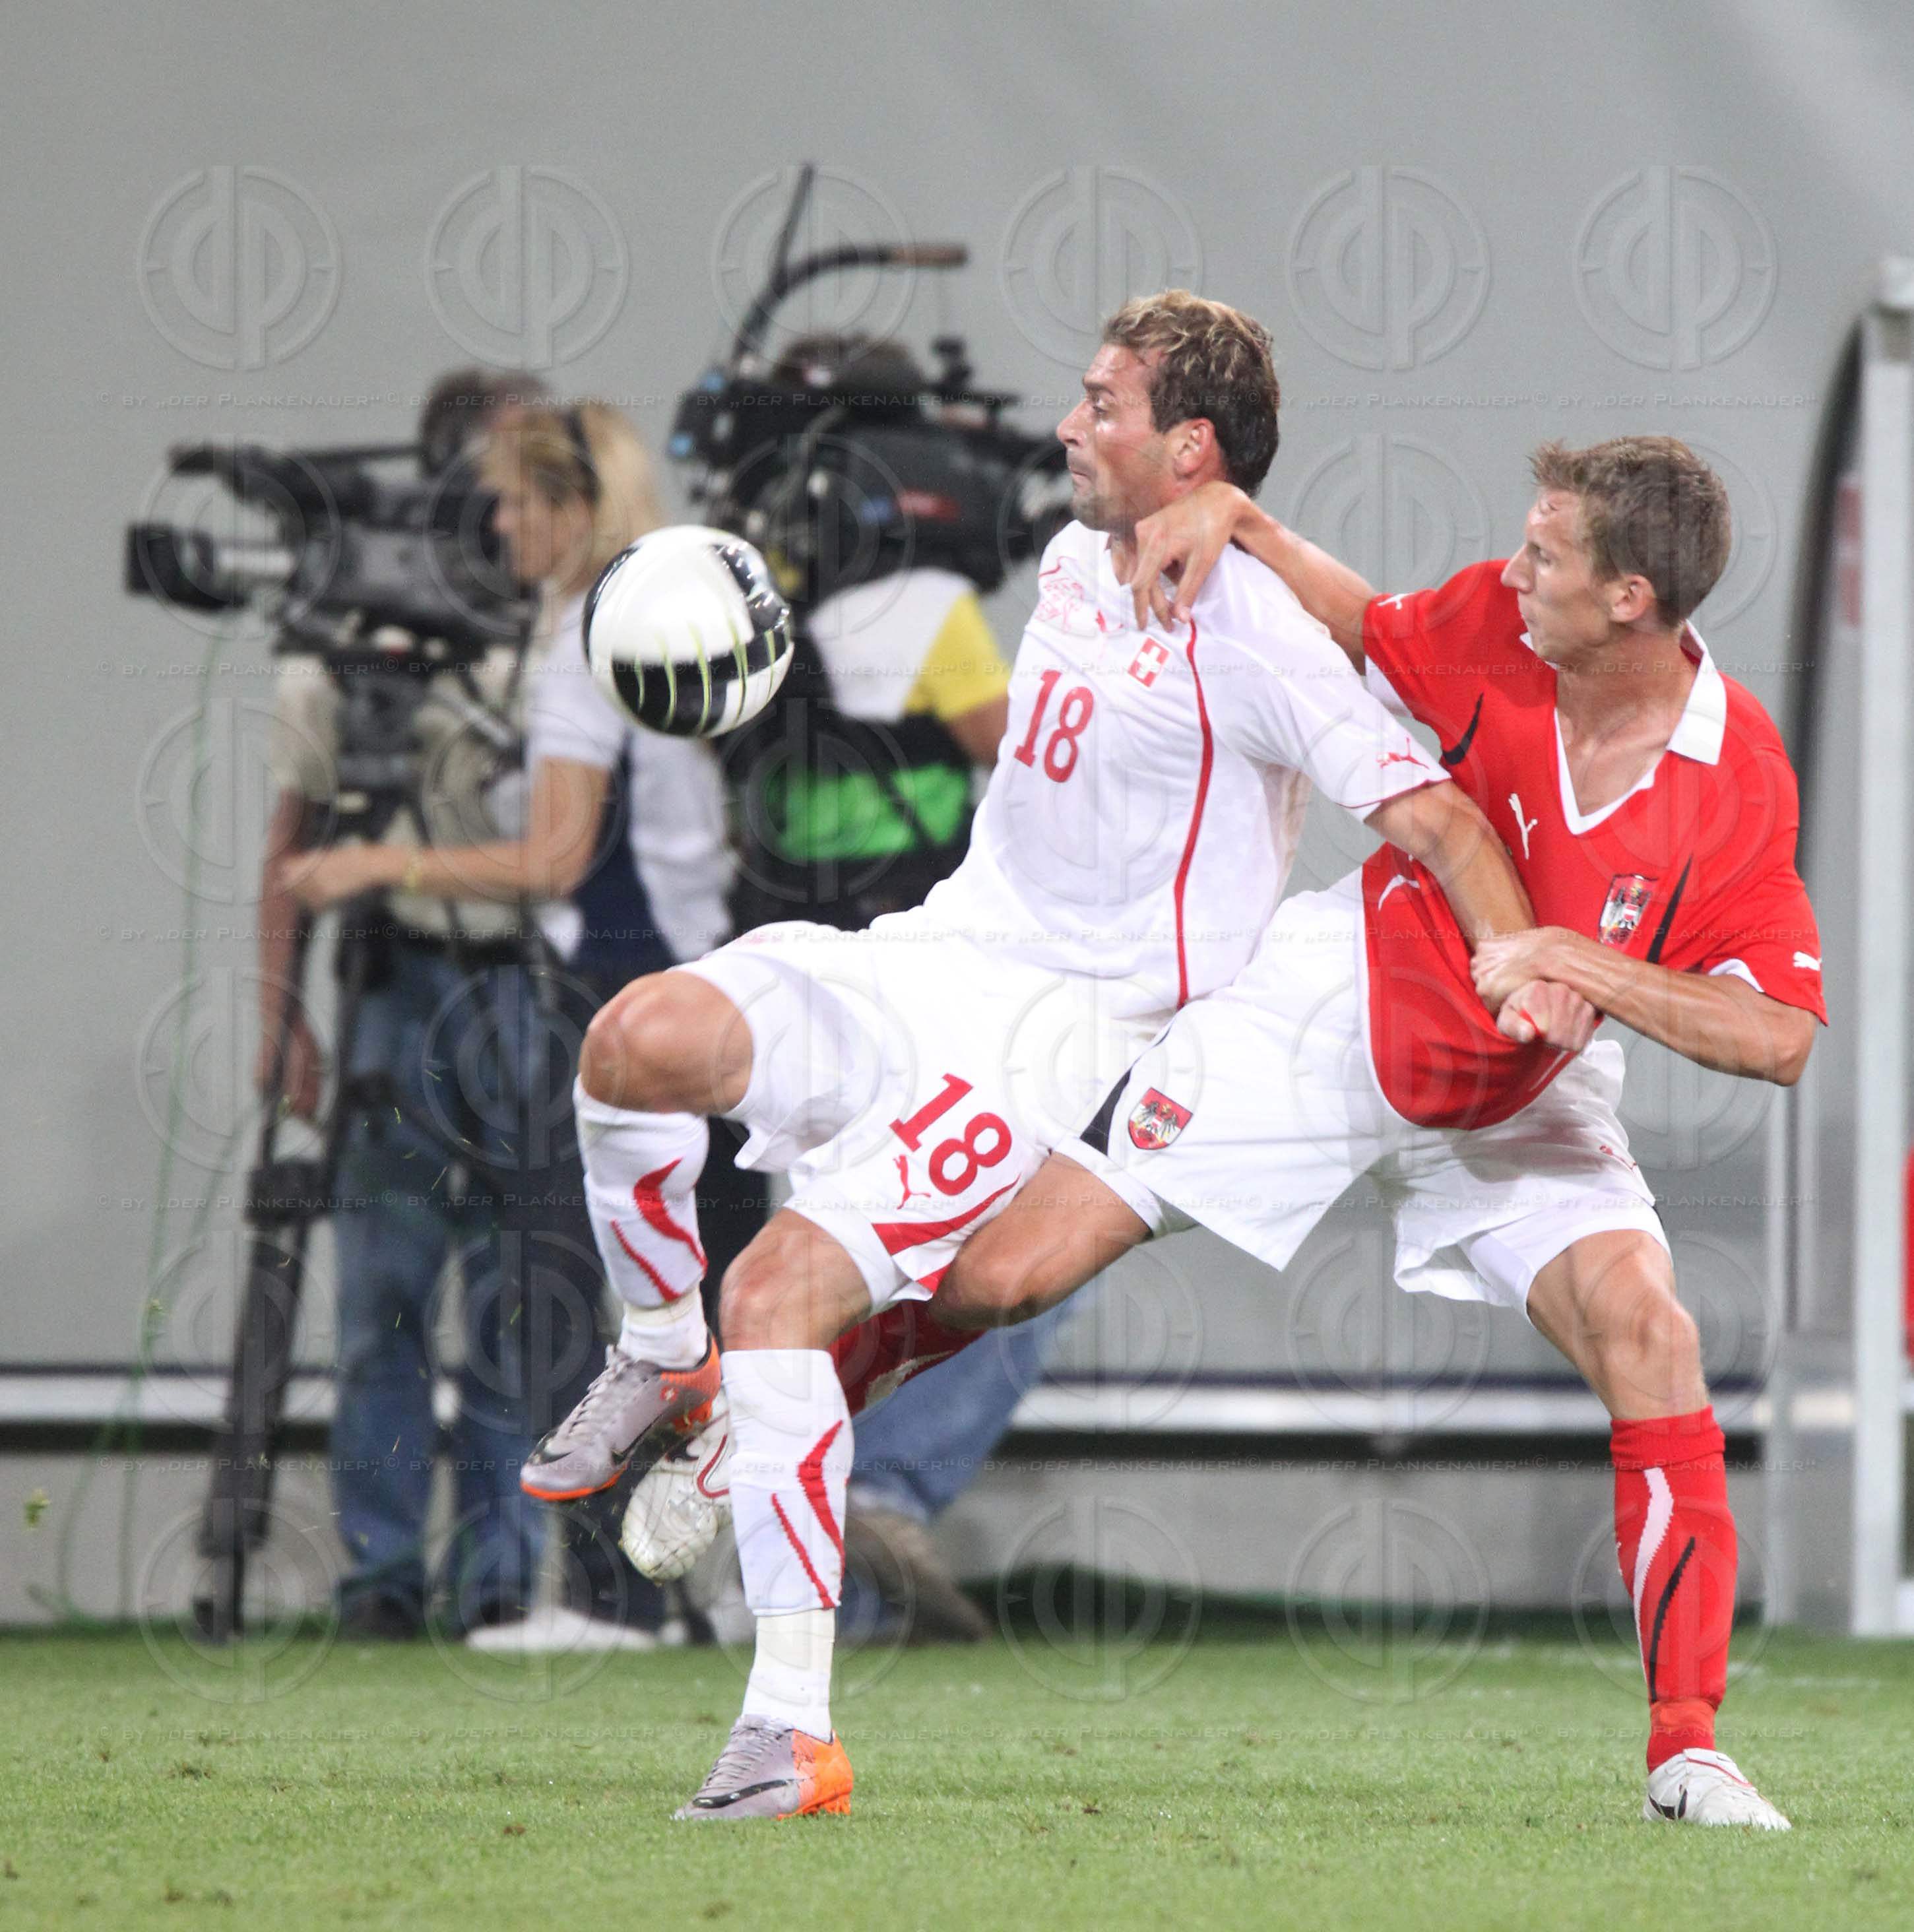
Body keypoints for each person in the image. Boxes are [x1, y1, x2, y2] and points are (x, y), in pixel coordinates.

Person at [520, 291, 1550, 1818]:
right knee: (633, 1041)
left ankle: (787, 1730)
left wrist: (1519, 966)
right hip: (935, 954)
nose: (1066, 425)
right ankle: (665, 1352)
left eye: (1100, 403)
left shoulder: (1254, 630)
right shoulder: (1075, 559)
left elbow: (1438, 814)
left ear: (1185, 444)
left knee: (791, 1292)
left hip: (1056, 1035)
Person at [817, 436, 1820, 1829]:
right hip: (1334, 1008)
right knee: (1005, 1278)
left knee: (1651, 1335)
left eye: (1546, 556)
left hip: (1522, 1095)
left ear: (1631, 601)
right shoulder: (1491, 623)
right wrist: (1236, 515)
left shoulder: (1733, 777)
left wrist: (1575, 968)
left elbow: (1772, 1037)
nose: (1511, 568)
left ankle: (1685, 1753)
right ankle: (776, 1394)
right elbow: (1364, 622)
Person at [276, 399, 753, 1644]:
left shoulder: (586, 640)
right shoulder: (624, 617)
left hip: (617, 997)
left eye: (515, 501)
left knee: (571, 1308)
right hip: (672, 980)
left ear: (572, 510)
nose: (495, 523)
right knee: (635, 1302)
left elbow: (553, 858)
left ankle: (617, 1600)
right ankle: (653, 1592)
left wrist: (381, 866)